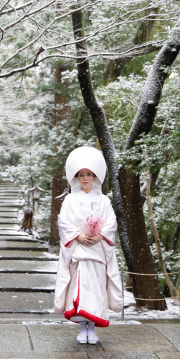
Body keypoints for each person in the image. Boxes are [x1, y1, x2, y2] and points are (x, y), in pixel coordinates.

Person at [53, 146, 123, 344]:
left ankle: (92, 329)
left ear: (95, 177)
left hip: (97, 250)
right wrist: (78, 236)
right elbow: (63, 221)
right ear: (76, 178)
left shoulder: (103, 200)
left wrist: (100, 236)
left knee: (96, 290)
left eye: (89, 175)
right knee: (80, 290)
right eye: (81, 175)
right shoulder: (69, 199)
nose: (85, 179)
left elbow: (111, 222)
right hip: (79, 250)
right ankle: (82, 328)